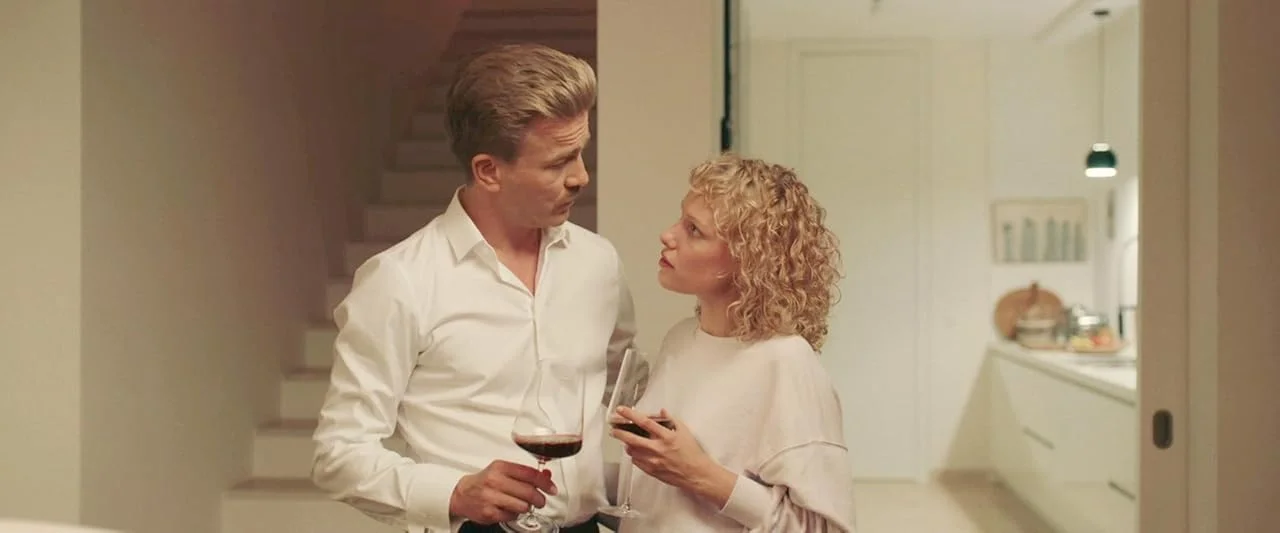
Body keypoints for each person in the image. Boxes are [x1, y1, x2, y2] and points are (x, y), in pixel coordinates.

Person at [310, 43, 635, 533]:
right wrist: (455, 493)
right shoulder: (401, 280)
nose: (581, 177)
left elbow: (624, 385)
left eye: (581, 153)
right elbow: (339, 452)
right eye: (558, 163)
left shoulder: (598, 262)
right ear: (488, 171)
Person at [609, 153, 857, 532]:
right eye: (680, 219)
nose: (668, 235)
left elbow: (822, 528)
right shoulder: (681, 340)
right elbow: (658, 501)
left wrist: (701, 474)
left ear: (748, 260)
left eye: (694, 230)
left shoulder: (787, 362)